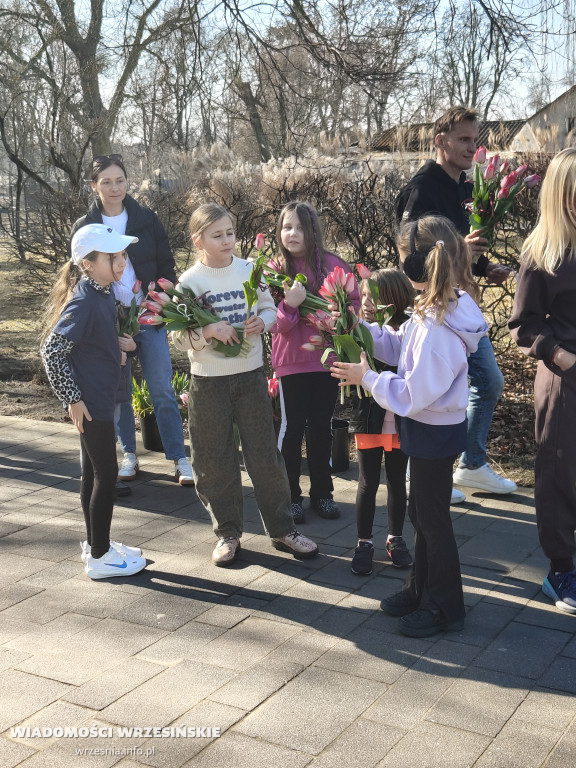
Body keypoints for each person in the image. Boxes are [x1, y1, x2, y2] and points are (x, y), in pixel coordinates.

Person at [331, 216, 488, 637]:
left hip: (433, 429)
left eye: (404, 260)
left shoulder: (441, 326)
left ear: (420, 263)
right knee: (421, 513)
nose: (402, 269)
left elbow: (414, 392)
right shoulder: (431, 309)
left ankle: (444, 607)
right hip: (426, 428)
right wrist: (361, 329)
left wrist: (367, 378)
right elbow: (402, 346)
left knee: (432, 521)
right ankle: (420, 589)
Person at [172, 203, 319, 567]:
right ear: (198, 241)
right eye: (217, 235)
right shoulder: (189, 282)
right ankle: (227, 533)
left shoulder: (249, 270)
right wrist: (208, 331)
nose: (227, 241)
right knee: (213, 461)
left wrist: (263, 323)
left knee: (265, 457)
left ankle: (283, 530)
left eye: (230, 233)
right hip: (208, 383)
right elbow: (177, 337)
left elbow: (269, 309)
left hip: (251, 377)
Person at [395, 106, 517, 497]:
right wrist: (458, 251)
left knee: (485, 383)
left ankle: (471, 465)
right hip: (433, 312)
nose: (471, 147)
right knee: (431, 389)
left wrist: (484, 267)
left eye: (474, 140)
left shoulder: (468, 187)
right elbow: (410, 259)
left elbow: (462, 252)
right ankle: (421, 474)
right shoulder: (421, 189)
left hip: (460, 306)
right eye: (463, 139)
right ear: (440, 141)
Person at [71, 154, 193, 486]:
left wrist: (163, 300)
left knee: (161, 387)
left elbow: (166, 264)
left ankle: (180, 459)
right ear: (94, 186)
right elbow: (78, 274)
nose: (115, 188)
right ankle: (129, 455)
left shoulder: (145, 219)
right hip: (108, 322)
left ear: (127, 182)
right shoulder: (85, 226)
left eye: (120, 180)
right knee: (119, 391)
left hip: (148, 316)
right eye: (106, 182)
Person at [41, 224, 146, 580]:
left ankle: (95, 543)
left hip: (99, 398)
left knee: (92, 473)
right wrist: (72, 399)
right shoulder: (85, 300)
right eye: (112, 256)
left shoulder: (103, 292)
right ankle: (101, 558)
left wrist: (117, 345)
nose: (121, 262)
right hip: (91, 405)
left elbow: (89, 342)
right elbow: (51, 351)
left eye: (122, 255)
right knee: (107, 474)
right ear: (87, 263)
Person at [508, 148, 576, 614]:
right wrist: (560, 355)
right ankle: (560, 570)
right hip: (563, 381)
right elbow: (523, 324)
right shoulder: (542, 253)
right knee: (558, 474)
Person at [269, 201, 360, 523]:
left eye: (299, 227)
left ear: (312, 231)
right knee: (292, 429)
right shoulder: (275, 270)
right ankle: (290, 496)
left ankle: (323, 493)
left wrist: (341, 316)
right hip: (291, 361)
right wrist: (290, 306)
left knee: (321, 427)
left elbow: (353, 307)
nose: (292, 234)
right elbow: (274, 323)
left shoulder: (333, 266)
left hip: (325, 360)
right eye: (286, 227)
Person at [350, 268, 414, 576]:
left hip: (400, 420)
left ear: (394, 299)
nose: (365, 302)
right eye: (362, 295)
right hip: (369, 416)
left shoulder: (410, 331)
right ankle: (363, 542)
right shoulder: (358, 330)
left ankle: (395, 538)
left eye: (372, 296)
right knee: (368, 481)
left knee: (397, 481)